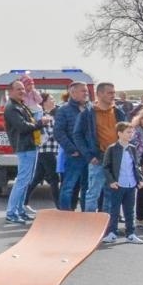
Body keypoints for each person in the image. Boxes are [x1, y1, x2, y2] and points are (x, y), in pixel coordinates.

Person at [83, 82, 128, 213]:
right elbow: (78, 135)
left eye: (114, 93)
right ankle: (90, 224)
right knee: (93, 193)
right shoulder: (89, 113)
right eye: (110, 93)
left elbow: (125, 132)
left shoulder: (118, 112)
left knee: (111, 193)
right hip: (98, 158)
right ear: (99, 94)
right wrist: (89, 155)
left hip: (115, 158)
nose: (113, 95)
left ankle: (108, 225)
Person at [2, 78, 41, 225]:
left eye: (23, 89)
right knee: (22, 181)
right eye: (18, 89)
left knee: (26, 181)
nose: (22, 91)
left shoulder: (20, 105)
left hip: (30, 146)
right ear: (10, 91)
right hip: (24, 147)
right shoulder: (11, 108)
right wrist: (39, 123)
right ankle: (11, 212)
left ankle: (20, 210)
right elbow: (22, 126)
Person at [101, 122, 143, 245]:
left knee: (130, 210)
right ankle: (112, 233)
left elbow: (136, 166)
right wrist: (111, 181)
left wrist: (139, 179)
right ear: (119, 133)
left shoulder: (132, 148)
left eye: (132, 132)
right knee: (114, 210)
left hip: (131, 184)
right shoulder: (112, 149)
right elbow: (106, 167)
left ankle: (130, 233)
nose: (131, 135)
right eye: (128, 132)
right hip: (118, 184)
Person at [54, 81, 92, 211]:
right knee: (68, 186)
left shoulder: (90, 108)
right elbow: (59, 132)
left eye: (86, 91)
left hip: (89, 155)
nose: (86, 93)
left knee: (87, 187)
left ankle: (86, 215)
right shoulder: (63, 110)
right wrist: (72, 149)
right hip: (74, 155)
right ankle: (65, 214)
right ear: (73, 92)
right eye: (83, 91)